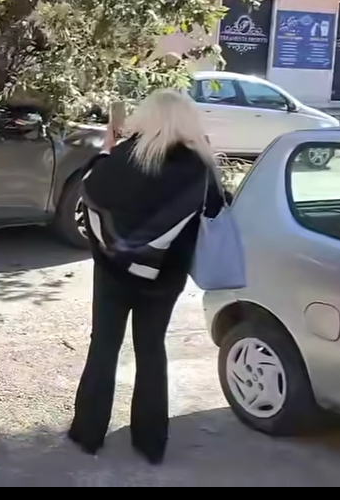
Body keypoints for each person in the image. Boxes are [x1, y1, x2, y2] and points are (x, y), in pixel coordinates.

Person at [67, 89, 227, 465]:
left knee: (103, 345)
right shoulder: (198, 166)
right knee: (151, 350)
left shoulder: (124, 156)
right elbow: (218, 211)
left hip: (112, 271)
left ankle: (88, 434)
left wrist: (107, 150)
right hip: (165, 277)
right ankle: (150, 442)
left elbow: (88, 191)